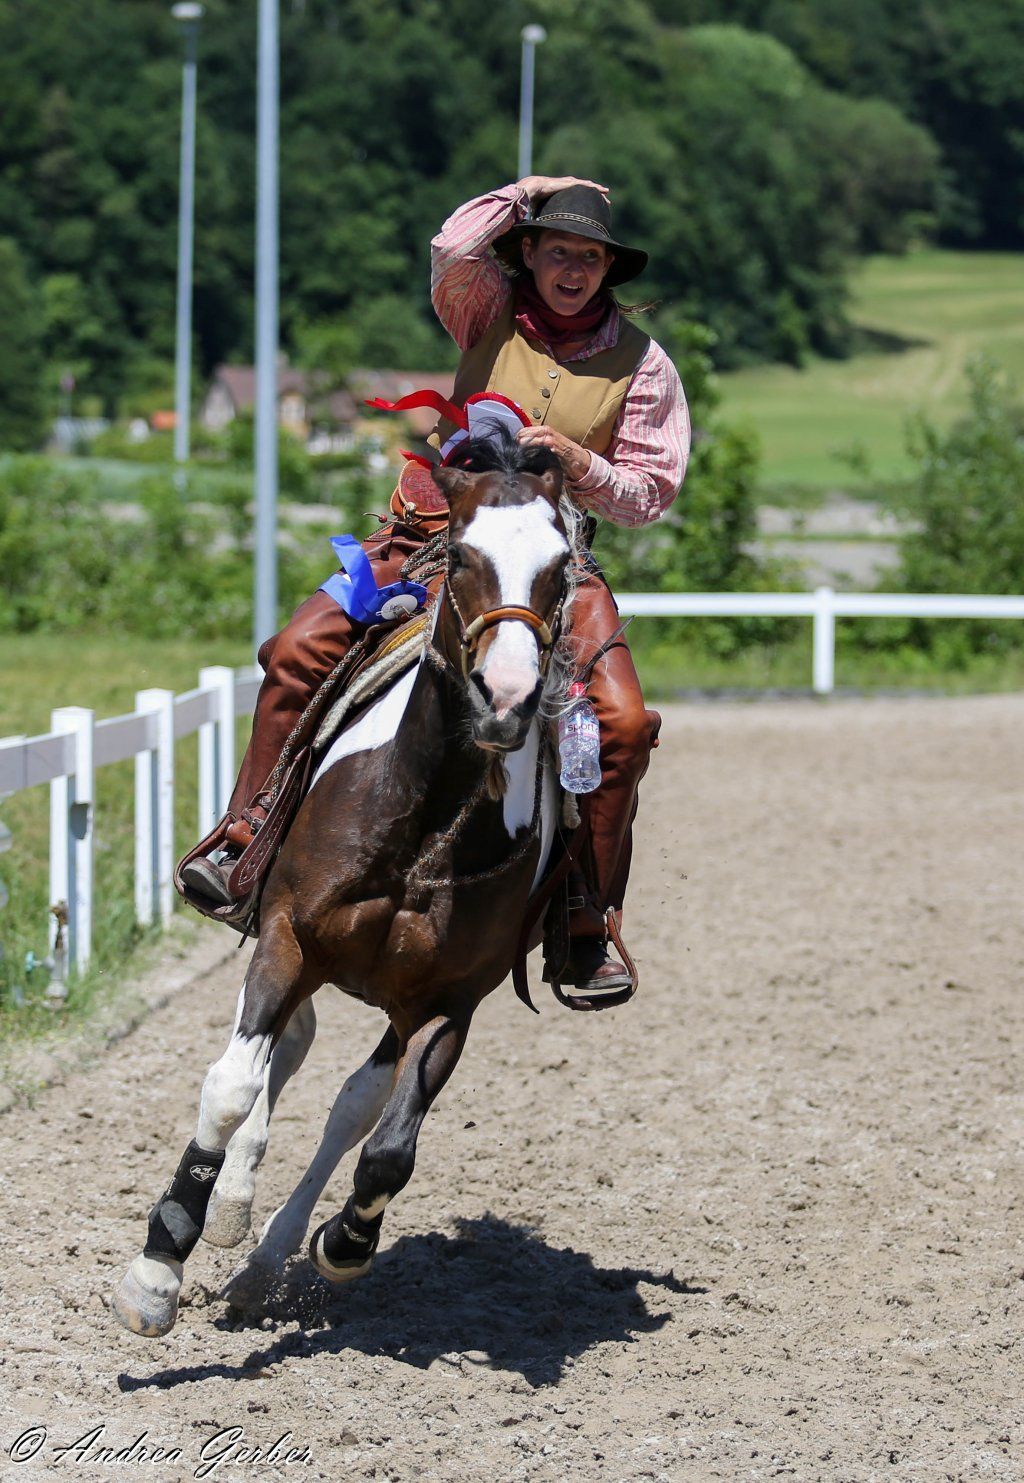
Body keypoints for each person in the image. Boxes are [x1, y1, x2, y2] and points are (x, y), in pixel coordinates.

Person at [180, 174, 689, 1002]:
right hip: (431, 536)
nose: (573, 269)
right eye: (558, 250)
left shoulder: (648, 366)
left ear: (608, 270)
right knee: (297, 648)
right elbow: (453, 245)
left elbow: (651, 492)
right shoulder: (482, 305)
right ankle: (247, 840)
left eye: (590, 258)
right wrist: (535, 188)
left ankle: (582, 918)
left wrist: (578, 460)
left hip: (552, 559)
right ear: (528, 252)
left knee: (626, 724)